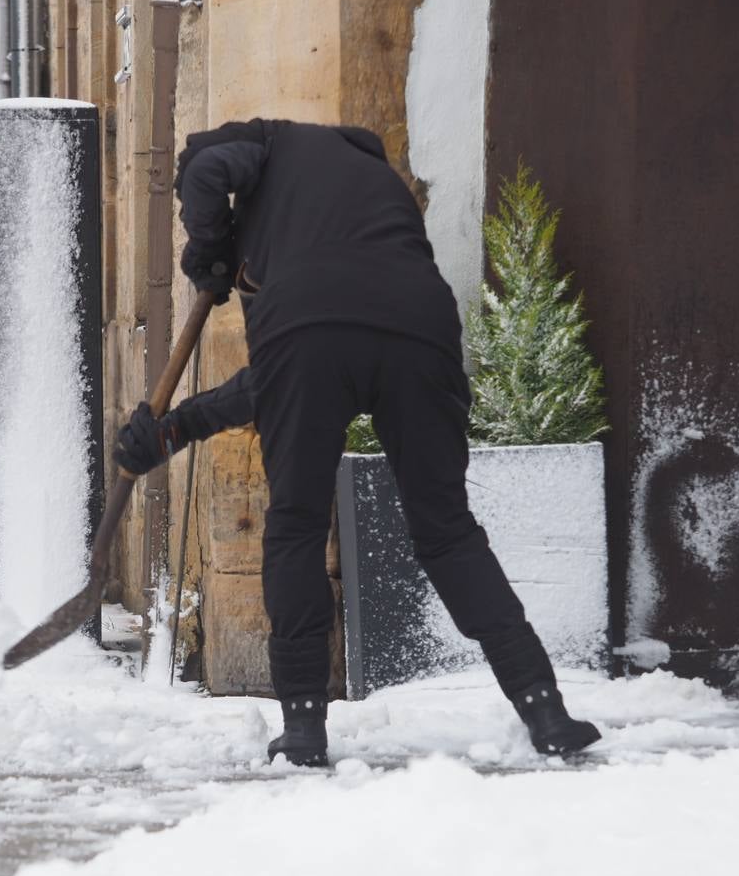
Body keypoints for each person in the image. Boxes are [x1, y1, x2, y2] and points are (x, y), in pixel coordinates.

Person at [114, 119, 601, 767]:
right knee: (447, 529)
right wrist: (177, 427)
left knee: (295, 523)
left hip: (313, 336)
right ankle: (544, 709)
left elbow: (209, 180)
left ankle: (304, 726)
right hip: (421, 330)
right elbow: (282, 374)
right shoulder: (366, 189)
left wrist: (207, 247)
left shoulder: (266, 141)